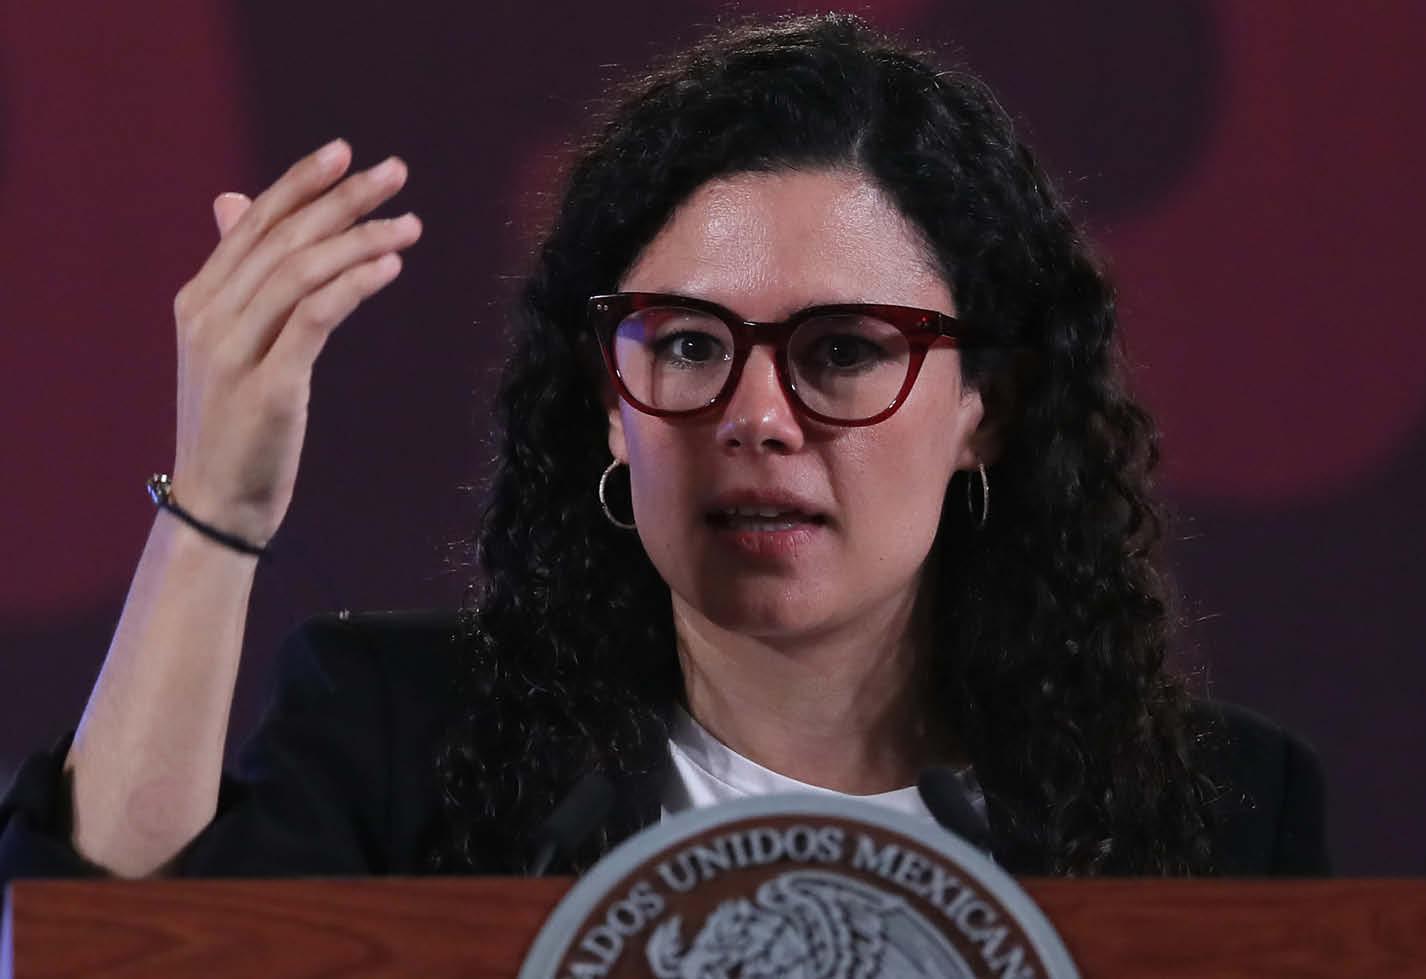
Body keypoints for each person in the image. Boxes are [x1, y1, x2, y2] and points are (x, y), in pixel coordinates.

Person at [0, 14, 1327, 885]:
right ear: (607, 397)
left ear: (982, 405)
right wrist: (216, 512)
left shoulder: (1221, 816)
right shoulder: (404, 741)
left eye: (843, 351)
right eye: (689, 344)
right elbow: (107, 951)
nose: (758, 416)